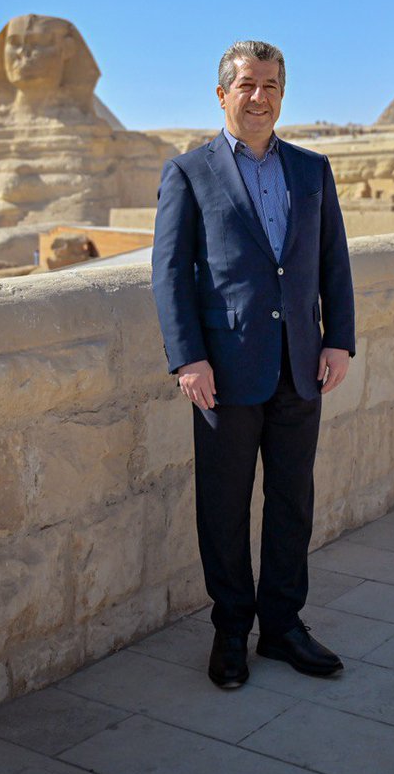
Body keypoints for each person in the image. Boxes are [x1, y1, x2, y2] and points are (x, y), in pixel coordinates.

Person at [151, 40, 355, 689]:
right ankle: (231, 630)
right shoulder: (188, 172)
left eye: (269, 85)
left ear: (281, 94)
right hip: (225, 371)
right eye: (246, 85)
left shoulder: (311, 169)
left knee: (293, 500)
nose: (258, 96)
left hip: (301, 365)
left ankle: (284, 626)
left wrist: (338, 339)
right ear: (221, 94)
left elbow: (333, 263)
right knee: (224, 505)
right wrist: (187, 359)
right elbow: (169, 276)